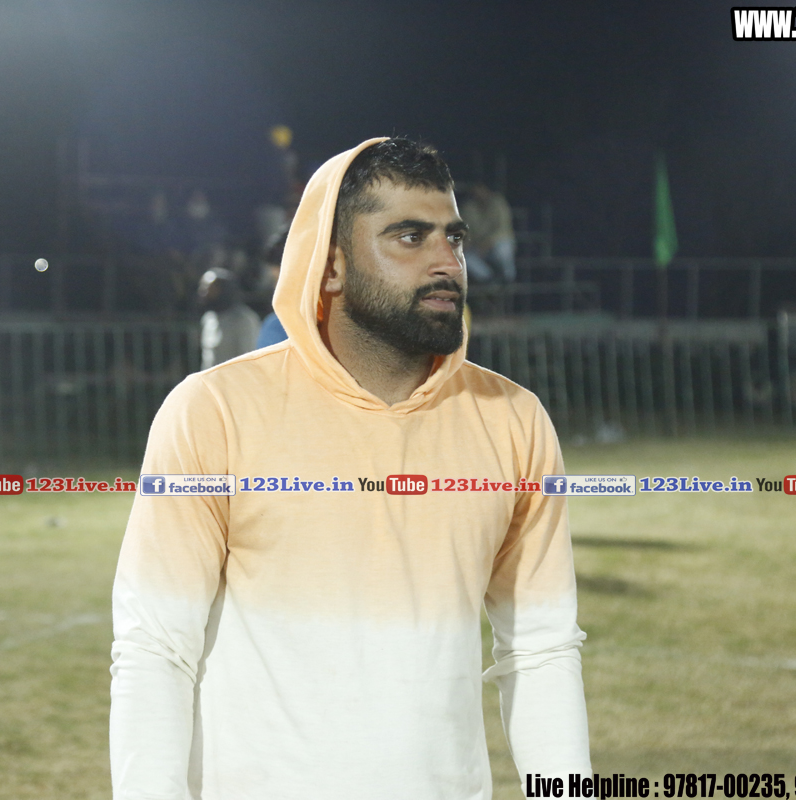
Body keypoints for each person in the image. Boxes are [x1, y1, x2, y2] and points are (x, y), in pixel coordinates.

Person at [111, 138, 590, 799]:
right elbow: (156, 648)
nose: (446, 262)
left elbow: (540, 650)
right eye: (410, 237)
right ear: (330, 263)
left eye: (453, 237)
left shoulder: (513, 420)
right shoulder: (214, 411)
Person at [197, 268, 261, 370]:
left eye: (210, 288)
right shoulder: (208, 319)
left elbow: (248, 359)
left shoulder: (244, 320)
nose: (204, 292)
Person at [459, 182, 517, 283]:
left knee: (503, 251)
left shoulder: (498, 203)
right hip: (478, 246)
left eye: (480, 189)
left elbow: (502, 229)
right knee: (464, 256)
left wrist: (487, 244)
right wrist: (466, 243)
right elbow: (466, 231)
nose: (478, 192)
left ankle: (508, 280)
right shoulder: (469, 207)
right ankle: (489, 279)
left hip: (497, 243)